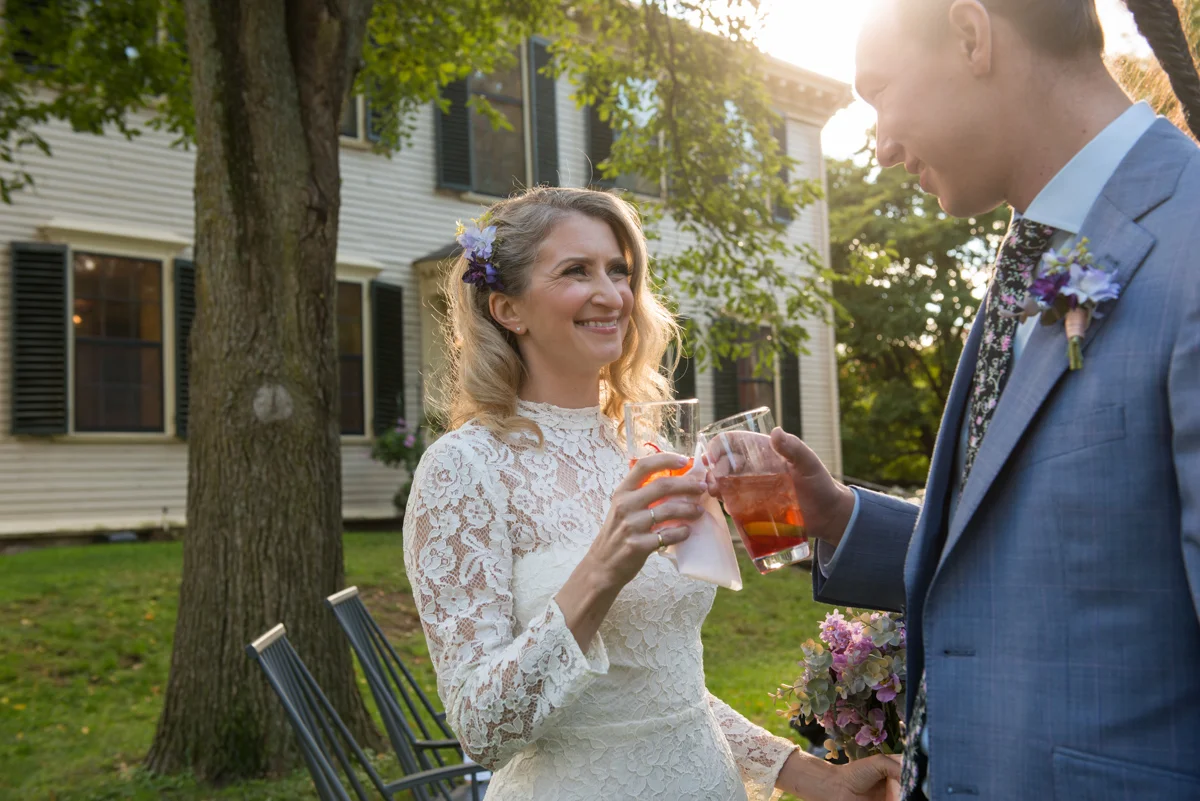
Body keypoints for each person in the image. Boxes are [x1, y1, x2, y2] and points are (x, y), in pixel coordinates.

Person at [707, 1, 1200, 799]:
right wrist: (835, 515)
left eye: (879, 92)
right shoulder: (1037, 255)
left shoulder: (1189, 241)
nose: (881, 144)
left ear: (971, 35)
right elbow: (1035, 548)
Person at [402, 187, 901, 801]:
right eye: (575, 271)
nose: (612, 294)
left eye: (620, 271)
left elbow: (668, 688)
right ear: (508, 309)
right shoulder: (464, 468)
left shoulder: (645, 448)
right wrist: (606, 564)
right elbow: (482, 729)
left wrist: (815, 777)